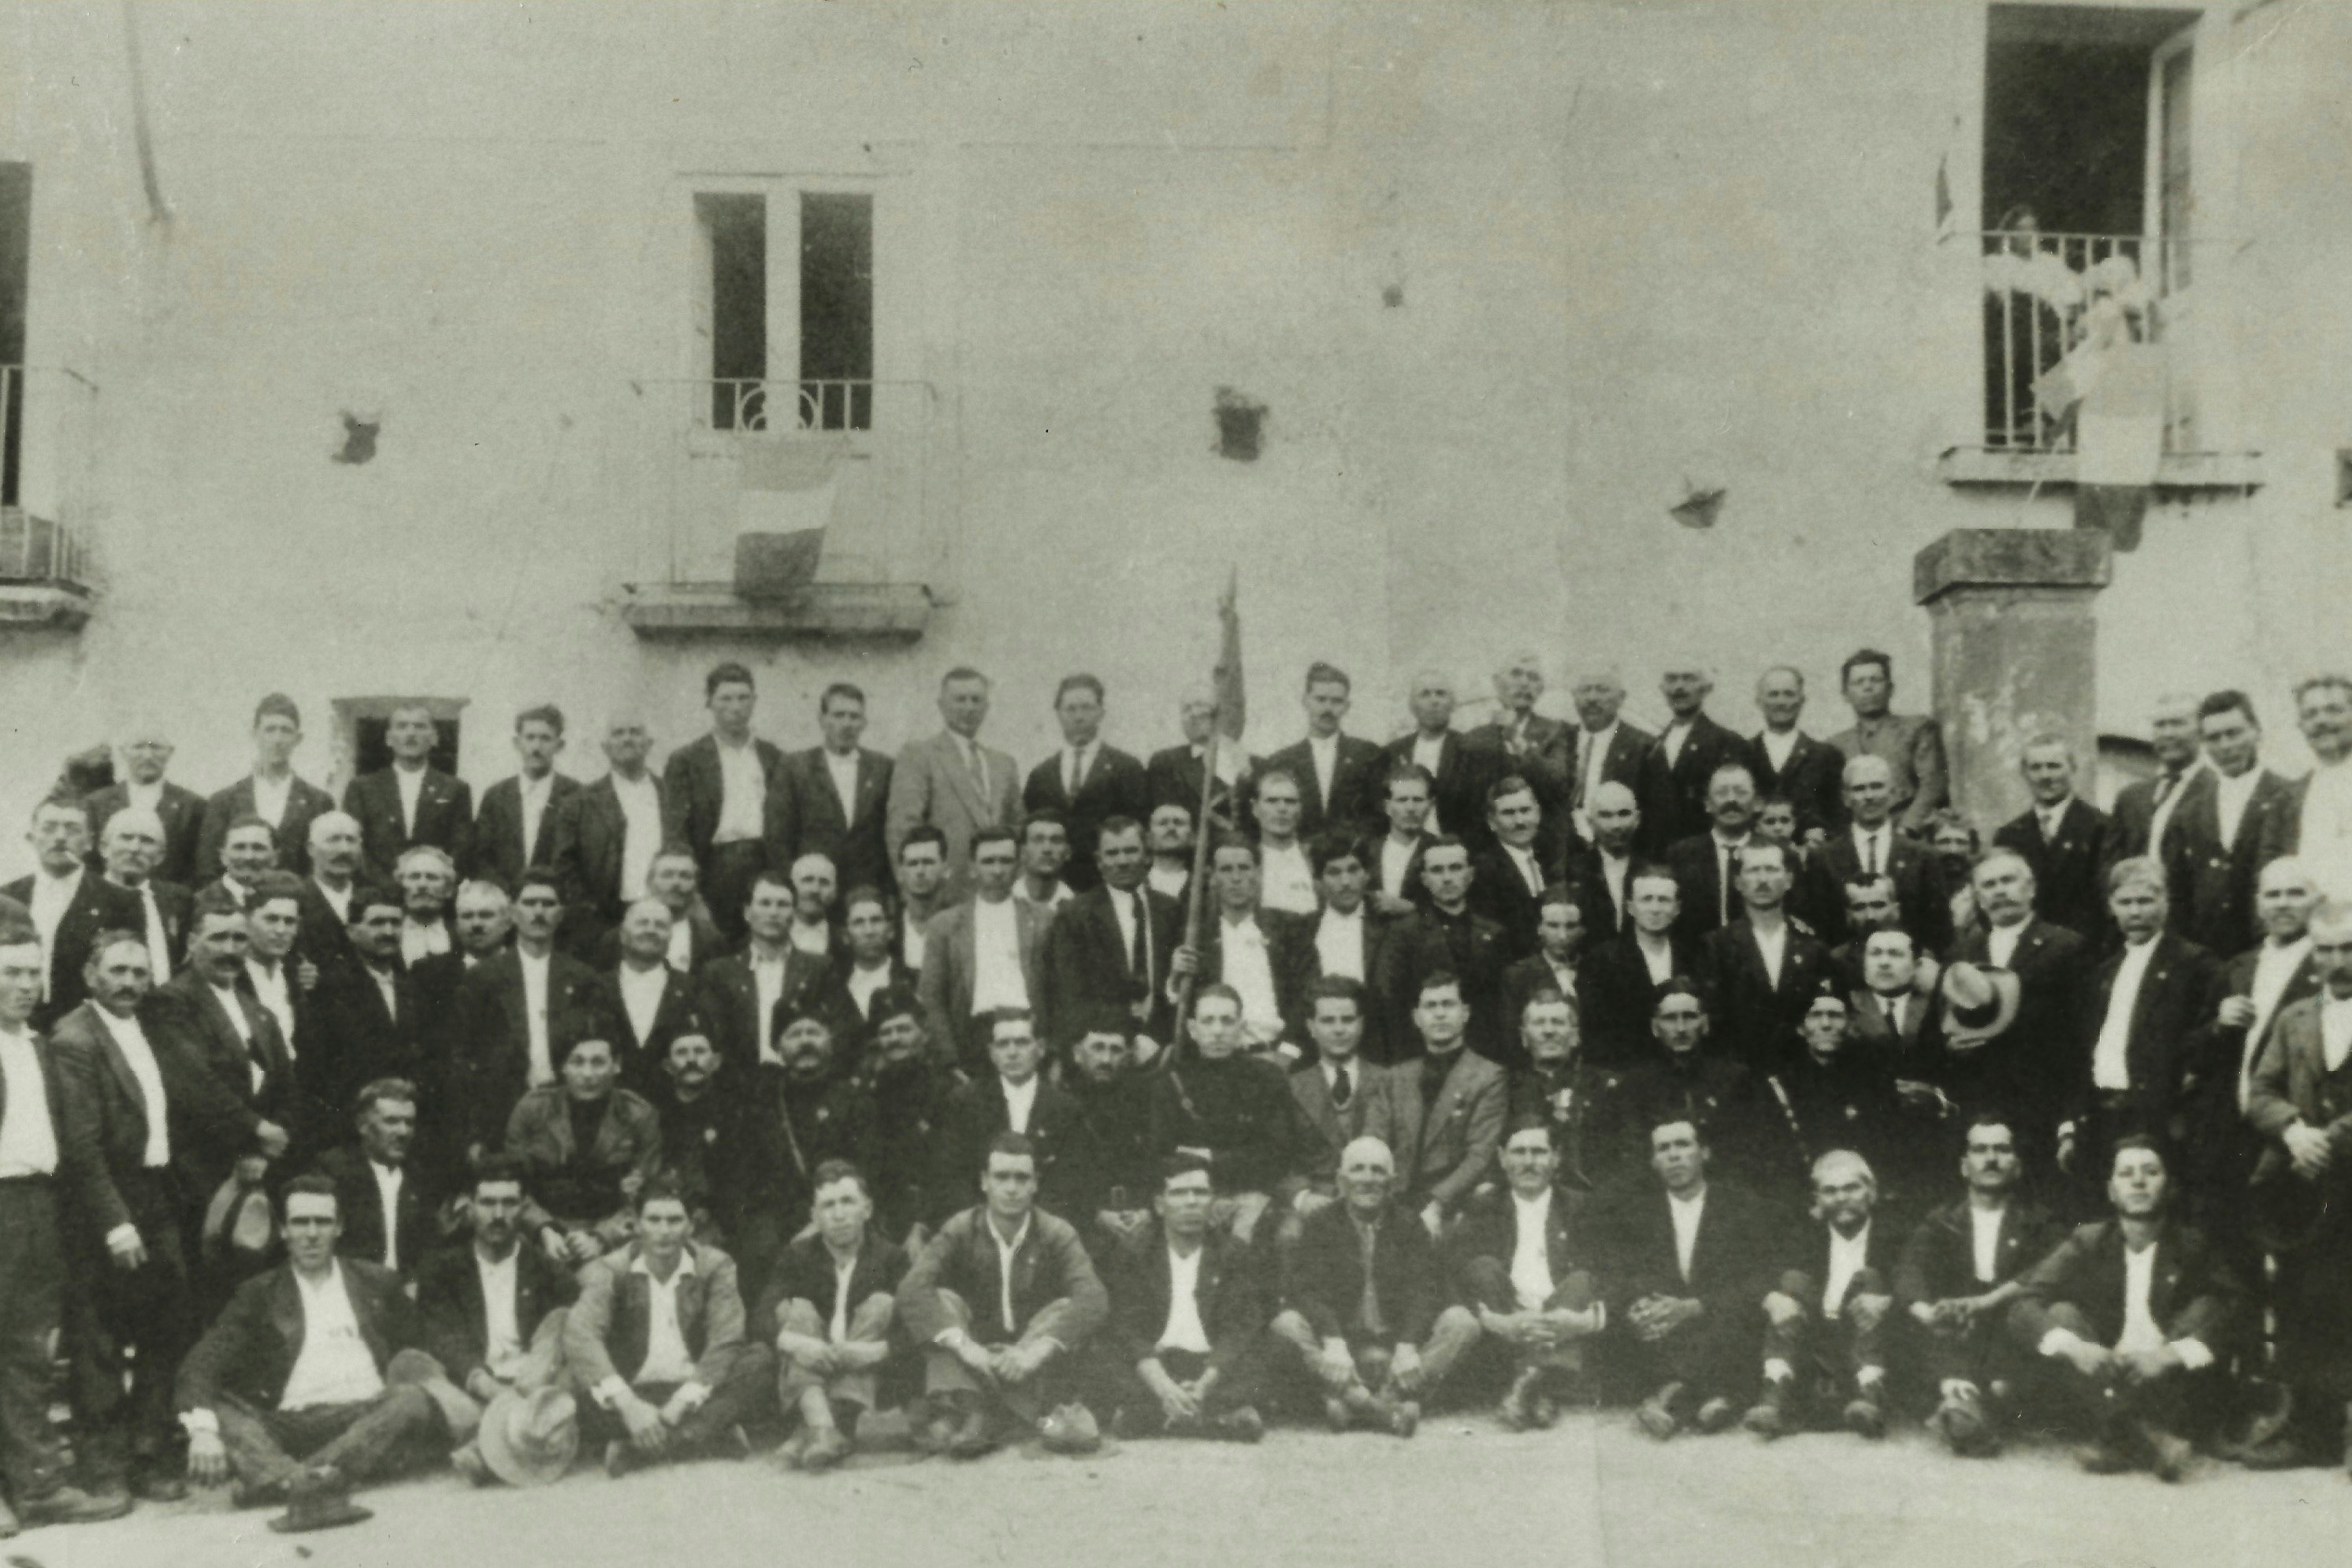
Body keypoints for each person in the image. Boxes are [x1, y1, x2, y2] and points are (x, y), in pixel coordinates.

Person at [176, 1175, 447, 1509]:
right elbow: (202, 1363)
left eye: (323, 1222)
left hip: (363, 1416)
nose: (312, 1234)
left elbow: (422, 1346)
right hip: (287, 1423)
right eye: (300, 1223)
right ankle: (319, 1479)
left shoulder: (376, 1282)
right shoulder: (259, 1293)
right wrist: (203, 1431)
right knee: (220, 1410)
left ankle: (285, 1480)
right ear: (283, 1230)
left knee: (410, 1400)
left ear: (339, 1228)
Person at [50, 931, 206, 1503]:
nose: (130, 984)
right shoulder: (75, 1039)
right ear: (91, 976)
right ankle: (103, 1467)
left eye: (140, 973)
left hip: (156, 1193)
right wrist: (116, 1223)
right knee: (99, 1338)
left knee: (168, 1323)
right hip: (104, 1201)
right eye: (117, 971)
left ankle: (148, 1451)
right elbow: (82, 1146)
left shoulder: (147, 1027)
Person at [0, 920, 135, 1533]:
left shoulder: (37, 1045)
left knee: (27, 1352)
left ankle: (37, 1487)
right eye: (11, 973)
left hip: (36, 1209)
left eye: (33, 973)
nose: (26, 985)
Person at [2006, 1137, 2242, 1481]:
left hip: (2167, 1383)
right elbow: (2024, 1302)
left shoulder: (2193, 1245)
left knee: (2208, 1305)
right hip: (2106, 1374)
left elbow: (2236, 1307)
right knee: (2060, 1314)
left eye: (2151, 1172)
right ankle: (2145, 1436)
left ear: (2171, 1188)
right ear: (2111, 1191)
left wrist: (2170, 1355)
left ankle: (2120, 1437)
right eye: (2126, 1173)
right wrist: (2077, 1348)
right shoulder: (2088, 1241)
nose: (2138, 1181)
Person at [897, 1132, 1109, 1458]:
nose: (1011, 1188)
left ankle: (983, 1415)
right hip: (974, 1357)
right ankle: (985, 1410)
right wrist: (965, 1347)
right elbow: (912, 1289)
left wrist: (1033, 1352)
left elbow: (1093, 1298)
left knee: (1064, 1308)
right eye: (1002, 1177)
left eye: (1022, 1178)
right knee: (942, 1301)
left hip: (1026, 1360)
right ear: (985, 1182)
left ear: (1035, 1183)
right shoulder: (962, 1228)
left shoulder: (1056, 1232)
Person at [2239, 898, 2352, 1470]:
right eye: (2326, 949)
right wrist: (2291, 1132)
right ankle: (2311, 1430)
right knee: (2302, 1302)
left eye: (2348, 948)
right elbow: (2258, 1092)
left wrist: (2325, 1138)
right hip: (2303, 1187)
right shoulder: (2294, 1018)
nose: (2337, 961)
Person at [1269, 1135, 1481, 1436]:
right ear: (1341, 1181)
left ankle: (1362, 1402)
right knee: (1285, 1325)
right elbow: (1307, 1290)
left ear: (1392, 1182)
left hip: (1395, 1351)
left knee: (1462, 1323)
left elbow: (1426, 1289)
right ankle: (1383, 1408)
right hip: (1344, 1353)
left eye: (1377, 1171)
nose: (1367, 1179)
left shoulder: (1409, 1225)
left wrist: (1407, 1345)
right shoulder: (1320, 1224)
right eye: (1358, 1170)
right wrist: (1333, 1340)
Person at [563, 1176, 775, 1476]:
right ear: (637, 1225)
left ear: (691, 1226)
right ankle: (710, 1435)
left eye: (674, 1220)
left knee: (761, 1362)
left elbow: (726, 1338)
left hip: (697, 1390)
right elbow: (582, 1334)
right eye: (654, 1220)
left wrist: (683, 1401)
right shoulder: (611, 1269)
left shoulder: (715, 1265)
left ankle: (640, 1447)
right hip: (633, 1390)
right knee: (574, 1379)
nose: (664, 1232)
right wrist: (628, 1405)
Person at [1894, 1114, 2064, 1457]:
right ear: (1964, 1166)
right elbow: (1909, 1268)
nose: (1990, 1158)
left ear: (2016, 1166)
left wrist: (1989, 1300)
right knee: (1923, 1321)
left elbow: (2051, 1269)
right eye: (1980, 1150)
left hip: (2009, 1329)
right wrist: (1927, 1312)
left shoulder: (2037, 1222)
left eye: (2001, 1150)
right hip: (1958, 1330)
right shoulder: (1942, 1220)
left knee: (2021, 1346)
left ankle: (1969, 1408)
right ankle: (1965, 1404)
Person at [1610, 1116, 1783, 1440]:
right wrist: (1642, 1303)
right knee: (1639, 1322)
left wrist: (1694, 1306)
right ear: (1653, 1161)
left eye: (1683, 1145)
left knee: (1735, 1320)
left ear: (1704, 1153)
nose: (1674, 1156)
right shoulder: (1636, 1213)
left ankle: (1674, 1396)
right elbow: (1624, 1273)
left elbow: (1762, 1277)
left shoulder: (1742, 1206)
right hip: (1664, 1328)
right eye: (1664, 1149)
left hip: (1720, 1321)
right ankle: (1711, 1400)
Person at [414, 1156, 580, 1482]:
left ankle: (488, 1449)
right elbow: (445, 1338)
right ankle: (516, 1437)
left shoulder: (548, 1269)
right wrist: (487, 1386)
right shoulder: (443, 1269)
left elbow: (561, 1334)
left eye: (509, 1203)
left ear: (523, 1208)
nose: (499, 1215)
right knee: (435, 1392)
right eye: (488, 1203)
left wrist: (533, 1381)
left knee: (567, 1346)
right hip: (475, 1382)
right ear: (470, 1207)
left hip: (535, 1381)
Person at [2060, 859, 2220, 1195]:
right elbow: (2085, 1050)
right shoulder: (2104, 972)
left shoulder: (2193, 964)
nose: (2135, 912)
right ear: (2111, 906)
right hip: (2102, 1114)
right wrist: (2072, 1122)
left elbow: (2205, 1046)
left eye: (2145, 901)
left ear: (2165, 902)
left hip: (2157, 1116)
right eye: (2125, 902)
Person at [2185, 858, 2320, 1243]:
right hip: (2228, 1136)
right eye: (2272, 894)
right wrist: (2217, 1025)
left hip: (2294, 1133)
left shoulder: (2329, 966)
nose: (2282, 904)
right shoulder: (2236, 968)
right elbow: (2193, 1054)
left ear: (2316, 900)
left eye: (2296, 893)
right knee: (2230, 1254)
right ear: (2258, 904)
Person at [1094, 1153, 1273, 1444]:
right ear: (1159, 1205)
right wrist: (1163, 1386)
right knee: (1101, 1350)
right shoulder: (1135, 1253)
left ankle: (1158, 1416)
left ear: (1212, 1202)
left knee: (1266, 1348)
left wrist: (1203, 1386)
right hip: (1156, 1364)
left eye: (1200, 1193)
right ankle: (1214, 1417)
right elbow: (1129, 1327)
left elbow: (1239, 1329)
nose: (1191, 1202)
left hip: (1211, 1366)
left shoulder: (1232, 1254)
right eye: (1178, 1193)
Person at [1447, 1119, 1607, 1429]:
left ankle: (1527, 1384)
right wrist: (1498, 1321)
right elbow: (1455, 1273)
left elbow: (1606, 1273)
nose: (1529, 1162)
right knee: (1483, 1267)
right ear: (1503, 1158)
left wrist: (1584, 1320)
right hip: (1509, 1318)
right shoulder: (1483, 1206)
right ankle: (1545, 1387)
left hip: (1563, 1316)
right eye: (1519, 1153)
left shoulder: (1579, 1206)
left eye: (1539, 1152)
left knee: (1581, 1279)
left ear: (1556, 1158)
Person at [146, 889, 297, 1213]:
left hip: (260, 1165)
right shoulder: (171, 1001)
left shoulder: (256, 1009)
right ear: (191, 942)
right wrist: (256, 1130)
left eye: (239, 939)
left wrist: (263, 1149)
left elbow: (285, 1082)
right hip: (200, 1165)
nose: (230, 950)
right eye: (218, 938)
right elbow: (193, 1082)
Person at [752, 1160, 909, 1470]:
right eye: (828, 1205)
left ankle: (807, 1432)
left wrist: (874, 1350)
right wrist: (799, 1345)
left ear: (867, 1208)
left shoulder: (892, 1258)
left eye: (848, 1202)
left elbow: (916, 1326)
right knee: (798, 1310)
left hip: (864, 1365)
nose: (838, 1215)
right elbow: (760, 1316)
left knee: (882, 1304)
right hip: (814, 1361)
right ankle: (824, 1428)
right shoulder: (798, 1256)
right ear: (814, 1216)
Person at [1744, 1150, 1897, 1440]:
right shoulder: (1804, 1234)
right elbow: (1756, 1274)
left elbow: (1914, 1284)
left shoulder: (1894, 1236)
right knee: (1793, 1280)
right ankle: (1774, 1396)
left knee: (1869, 1278)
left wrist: (1886, 1302)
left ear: (1872, 1193)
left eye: (1852, 1187)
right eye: (1830, 1191)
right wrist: (1772, 1299)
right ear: (1817, 1199)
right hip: (1815, 1341)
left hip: (1870, 1341)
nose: (1841, 1198)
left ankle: (1873, 1396)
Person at [452, 868, 599, 1158]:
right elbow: (464, 1056)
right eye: (530, 903)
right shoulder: (483, 979)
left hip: (568, 1109)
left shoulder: (582, 977)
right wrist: (474, 1133)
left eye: (548, 904)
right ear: (512, 914)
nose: (539, 912)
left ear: (561, 914)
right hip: (501, 1110)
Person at [1145, 986, 1305, 1245]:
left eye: (1227, 1021)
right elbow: (1161, 1155)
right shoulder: (1170, 1082)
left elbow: (1278, 1154)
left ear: (1241, 1028)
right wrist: (1236, 1159)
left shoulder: (1267, 1078)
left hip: (1254, 1196)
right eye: (1208, 1021)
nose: (1218, 1031)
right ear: (1193, 1029)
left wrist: (1209, 1157)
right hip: (1193, 1198)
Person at [503, 1025, 662, 1269]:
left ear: (616, 1065)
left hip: (614, 1235)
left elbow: (647, 1193)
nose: (587, 1074)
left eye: (598, 1062)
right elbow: (512, 1186)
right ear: (563, 1067)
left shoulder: (639, 1115)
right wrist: (544, 1230)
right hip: (541, 1233)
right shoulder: (532, 1110)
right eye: (577, 1062)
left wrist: (602, 1238)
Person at [1594, 983, 1763, 1190]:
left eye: (1689, 1017)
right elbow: (1633, 1156)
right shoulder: (1635, 1085)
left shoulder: (1733, 1079)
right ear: (1655, 1027)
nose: (1681, 1028)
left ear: (1705, 1024)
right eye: (1670, 1018)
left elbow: (1747, 1154)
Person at [2168, 689, 2298, 957]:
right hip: (2208, 958)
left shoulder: (2289, 797)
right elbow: (2179, 897)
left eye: (2234, 733)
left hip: (2271, 951)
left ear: (2256, 733)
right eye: (2214, 738)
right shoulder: (2189, 812)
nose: (2225, 746)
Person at [663, 663, 785, 943]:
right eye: (726, 698)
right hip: (715, 869)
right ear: (709, 702)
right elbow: (676, 832)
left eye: (744, 698)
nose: (736, 707)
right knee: (715, 949)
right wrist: (692, 894)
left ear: (754, 702)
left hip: (764, 864)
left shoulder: (773, 757)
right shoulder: (687, 760)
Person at [1165, 838, 1316, 1057]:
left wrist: (1288, 1051)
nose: (1236, 878)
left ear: (1258, 872)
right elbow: (1181, 1008)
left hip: (1276, 1055)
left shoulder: (1289, 930)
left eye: (1244, 868)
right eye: (1226, 870)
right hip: (1215, 1059)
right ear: (1213, 877)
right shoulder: (1196, 938)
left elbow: (1308, 994)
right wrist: (1175, 980)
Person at [1044, 816, 1180, 1057]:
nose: (1122, 861)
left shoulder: (1171, 911)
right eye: (1112, 853)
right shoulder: (1075, 915)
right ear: (1099, 860)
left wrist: (1155, 1037)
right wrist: (1123, 1040)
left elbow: (1176, 986)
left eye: (1131, 851)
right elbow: (1069, 993)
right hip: (1102, 1049)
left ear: (1147, 855)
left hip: (1162, 1046)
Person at [916, 829, 1048, 1074]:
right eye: (988, 861)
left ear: (1019, 866)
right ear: (972, 867)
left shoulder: (1043, 919)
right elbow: (931, 998)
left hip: (1028, 1033)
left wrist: (1052, 1050)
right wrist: (950, 1060)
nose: (997, 870)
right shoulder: (945, 925)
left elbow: (1057, 991)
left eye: (1005, 861)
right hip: (972, 1039)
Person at [1384, 972, 1507, 1234]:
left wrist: (1438, 1204)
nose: (1440, 1014)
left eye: (1448, 1004)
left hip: (1451, 1203)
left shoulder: (1488, 1076)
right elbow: (1377, 1139)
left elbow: (1479, 1155)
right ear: (1417, 1018)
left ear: (1465, 1013)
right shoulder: (1396, 1076)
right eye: (1431, 1006)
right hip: (1393, 1200)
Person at [886, 667, 1022, 903]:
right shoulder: (920, 756)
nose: (969, 708)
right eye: (960, 699)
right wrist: (914, 894)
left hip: (999, 894)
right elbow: (903, 828)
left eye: (976, 700)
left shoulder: (1004, 764)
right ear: (941, 705)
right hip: (943, 896)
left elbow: (1018, 828)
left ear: (986, 706)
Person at [8, 793, 140, 1031]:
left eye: (72, 829)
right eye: (49, 828)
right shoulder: (7, 898)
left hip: (88, 1029)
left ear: (90, 842)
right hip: (13, 1026)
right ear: (32, 837)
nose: (60, 837)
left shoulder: (120, 901)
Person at [1701, 839, 1831, 1073]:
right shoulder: (1717, 945)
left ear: (1789, 880)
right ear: (1738, 883)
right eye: (1753, 870)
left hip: (1803, 1071)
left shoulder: (1812, 947)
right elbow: (1715, 1017)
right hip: (1740, 1071)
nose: (1762, 880)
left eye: (1771, 870)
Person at [307, 887, 425, 1141]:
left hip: (405, 1125)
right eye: (377, 923)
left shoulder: (414, 987)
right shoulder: (329, 987)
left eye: (395, 923)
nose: (388, 932)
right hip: (349, 1125)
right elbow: (319, 1067)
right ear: (352, 932)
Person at [1760, 989, 1902, 1201]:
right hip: (1804, 1195)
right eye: (1816, 1016)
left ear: (1850, 1025)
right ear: (1801, 1028)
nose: (1826, 1024)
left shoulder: (1873, 1080)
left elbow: (1886, 1146)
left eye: (1835, 1016)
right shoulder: (1780, 1084)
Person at [1285, 978, 1407, 1223]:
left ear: (1361, 1024)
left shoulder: (1390, 1081)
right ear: (1311, 1027)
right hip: (1317, 1202)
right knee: (1291, 1236)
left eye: (1347, 1020)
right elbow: (1280, 1155)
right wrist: (1302, 1195)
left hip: (1379, 1199)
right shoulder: (1291, 1087)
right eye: (1328, 1021)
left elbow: (1404, 1150)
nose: (1339, 1029)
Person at [1804, 755, 1951, 952]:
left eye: (1877, 786)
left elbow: (1939, 929)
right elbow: (1820, 928)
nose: (1869, 796)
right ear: (1846, 798)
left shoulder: (1923, 856)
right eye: (1859, 789)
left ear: (1893, 793)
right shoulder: (1823, 858)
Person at [696, 868, 831, 1083]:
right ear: (747, 913)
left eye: (782, 905)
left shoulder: (819, 968)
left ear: (794, 913)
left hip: (805, 1084)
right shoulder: (719, 973)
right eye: (765, 903)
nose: (774, 912)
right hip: (740, 1089)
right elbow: (714, 1039)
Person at [765, 682, 896, 900]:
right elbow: (777, 836)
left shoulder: (883, 768)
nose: (846, 724)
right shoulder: (795, 767)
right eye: (838, 715)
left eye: (854, 717)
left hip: (867, 891)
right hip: (813, 892)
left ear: (864, 723)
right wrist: (793, 887)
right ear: (822, 719)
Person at [1022, 674, 1149, 894]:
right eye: (1070, 709)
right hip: (1055, 886)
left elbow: (1139, 830)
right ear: (1059, 714)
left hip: (1110, 884)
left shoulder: (1127, 768)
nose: (1079, 717)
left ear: (1101, 713)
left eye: (1087, 708)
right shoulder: (1041, 774)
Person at [1391, 836, 1512, 1064]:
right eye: (1437, 870)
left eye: (1455, 868)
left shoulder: (1494, 933)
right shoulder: (1405, 933)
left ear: (1470, 875)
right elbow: (1394, 1001)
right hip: (1424, 1053)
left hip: (1485, 1054)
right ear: (1424, 879)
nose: (1447, 878)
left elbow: (1502, 1005)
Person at [195, 694, 336, 882]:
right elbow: (208, 867)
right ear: (255, 734)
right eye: (270, 730)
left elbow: (322, 866)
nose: (277, 739)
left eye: (286, 731)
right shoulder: (223, 801)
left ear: (298, 738)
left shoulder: (318, 801)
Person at [1991, 734, 2116, 944]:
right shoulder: (2009, 835)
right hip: (2028, 951)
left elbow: (2108, 899)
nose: (2045, 776)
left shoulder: (2101, 827)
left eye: (2054, 766)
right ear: (2024, 773)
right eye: (2036, 768)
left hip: (2086, 949)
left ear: (2072, 768)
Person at [310, 1078, 439, 1280]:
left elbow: (429, 1249)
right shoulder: (333, 1171)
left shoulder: (419, 1178)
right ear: (363, 1125)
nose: (403, 1132)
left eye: (409, 1122)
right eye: (391, 1121)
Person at [550, 715, 667, 932]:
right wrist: (587, 911)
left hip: (665, 910)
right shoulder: (580, 802)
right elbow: (564, 864)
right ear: (605, 747)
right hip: (606, 918)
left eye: (635, 732)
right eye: (618, 733)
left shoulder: (671, 795)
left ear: (649, 744)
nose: (627, 739)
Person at [1579, 866, 1704, 1068]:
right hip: (1626, 1072)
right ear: (1630, 907)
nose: (1655, 909)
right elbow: (1594, 1030)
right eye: (1647, 899)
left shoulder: (1695, 955)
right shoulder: (1602, 960)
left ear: (1677, 908)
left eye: (1664, 900)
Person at [856, 990, 952, 1244]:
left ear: (925, 1035)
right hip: (881, 1219)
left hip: (936, 1216)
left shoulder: (948, 1090)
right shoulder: (867, 1093)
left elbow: (949, 1170)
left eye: (903, 1029)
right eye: (886, 1032)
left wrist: (923, 1223)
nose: (894, 1039)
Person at [1258, 662, 1386, 847]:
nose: (1328, 709)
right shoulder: (1281, 760)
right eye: (1321, 699)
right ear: (1305, 701)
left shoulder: (1368, 755)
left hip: (1353, 858)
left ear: (1347, 706)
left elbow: (1379, 815)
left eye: (1336, 701)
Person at [343, 702, 474, 882]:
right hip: (377, 893)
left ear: (434, 737)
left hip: (434, 893)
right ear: (389, 738)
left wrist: (431, 880)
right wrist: (388, 885)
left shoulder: (455, 788)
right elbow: (355, 846)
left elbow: (460, 848)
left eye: (420, 726)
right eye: (402, 726)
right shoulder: (362, 787)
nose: (411, 733)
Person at [1637, 663, 1755, 857]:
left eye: (1689, 679)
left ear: (1706, 688)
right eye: (1671, 679)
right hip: (1660, 856)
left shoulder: (1727, 742)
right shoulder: (1653, 746)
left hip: (1706, 856)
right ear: (1662, 689)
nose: (1679, 687)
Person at [1507, 988, 1618, 1193]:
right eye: (1539, 1023)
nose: (1549, 1031)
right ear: (1524, 1036)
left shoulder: (1603, 1085)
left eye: (1558, 1022)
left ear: (1575, 1035)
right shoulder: (1507, 1089)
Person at [1827, 650, 1948, 837]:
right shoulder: (1835, 745)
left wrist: (1907, 828)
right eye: (1859, 682)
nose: (1868, 688)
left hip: (1911, 832)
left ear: (1890, 688)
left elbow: (1932, 785)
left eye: (1875, 680)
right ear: (1845, 694)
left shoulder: (1918, 729)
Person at [467, 704, 579, 894]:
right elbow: (480, 856)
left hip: (554, 901)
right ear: (517, 743)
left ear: (559, 745)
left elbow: (580, 858)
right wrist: (505, 892)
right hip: (504, 899)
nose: (536, 747)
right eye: (530, 738)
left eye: (545, 738)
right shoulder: (496, 795)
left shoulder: (576, 794)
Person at [597, 898, 704, 1098]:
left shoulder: (693, 989)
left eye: (661, 925)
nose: (651, 930)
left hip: (674, 1108)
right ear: (622, 934)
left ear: (670, 937)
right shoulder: (596, 988)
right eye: (642, 923)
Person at [1463, 652, 1574, 835]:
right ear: (1497, 683)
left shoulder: (1558, 731)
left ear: (1541, 688)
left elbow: (1558, 785)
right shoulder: (1473, 739)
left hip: (1545, 839)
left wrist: (1517, 740)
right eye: (1516, 674)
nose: (1524, 683)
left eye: (1533, 677)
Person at [86, 726, 206, 890]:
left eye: (155, 747)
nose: (148, 756)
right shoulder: (96, 803)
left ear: (170, 752)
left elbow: (198, 867)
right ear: (123, 752)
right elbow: (89, 862)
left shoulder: (192, 805)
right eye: (138, 747)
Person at [2268, 674, 2352, 901]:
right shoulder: (2289, 798)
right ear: (2301, 726)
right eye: (2310, 714)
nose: (2321, 721)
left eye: (2333, 710)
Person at [1385, 670, 1488, 849]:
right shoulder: (1393, 752)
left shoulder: (1471, 750)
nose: (1434, 701)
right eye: (1425, 694)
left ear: (1453, 703)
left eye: (1441, 693)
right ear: (1412, 705)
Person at [2110, 693, 2212, 865]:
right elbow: (2111, 865)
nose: (2167, 733)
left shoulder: (2217, 790)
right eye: (2160, 725)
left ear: (2202, 731)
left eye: (2177, 724)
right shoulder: (2130, 798)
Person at [1748, 666, 1844, 842]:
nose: (1781, 702)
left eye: (1789, 694)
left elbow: (1838, 816)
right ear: (1759, 701)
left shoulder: (1826, 756)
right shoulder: (1744, 752)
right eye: (1773, 694)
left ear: (1802, 700)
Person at [807, 886, 916, 1040]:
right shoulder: (832, 985)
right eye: (859, 923)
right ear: (845, 935)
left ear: (890, 931)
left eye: (876, 920)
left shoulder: (913, 980)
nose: (869, 931)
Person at [95, 806, 188, 987]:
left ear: (160, 856)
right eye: (126, 837)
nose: (135, 848)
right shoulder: (85, 896)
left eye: (147, 841)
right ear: (104, 848)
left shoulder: (178, 899)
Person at [1663, 763, 1756, 941]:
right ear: (1707, 804)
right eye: (1722, 793)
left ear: (1756, 803)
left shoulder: (1777, 853)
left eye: (1741, 792)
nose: (1732, 800)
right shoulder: (1681, 855)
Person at [1473, 772, 1562, 958]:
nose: (1519, 821)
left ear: (1538, 812)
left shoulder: (1553, 857)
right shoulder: (1484, 870)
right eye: (1509, 813)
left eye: (1525, 810)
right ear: (1492, 822)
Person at [1146, 693, 1254, 837]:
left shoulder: (1256, 764)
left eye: (1201, 705)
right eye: (1186, 709)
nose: (1194, 713)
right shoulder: (1167, 762)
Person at [1565, 668, 1652, 841]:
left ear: (1621, 697)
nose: (1592, 698)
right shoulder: (1560, 739)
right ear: (1574, 696)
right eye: (1585, 690)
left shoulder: (1644, 746)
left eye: (1602, 690)